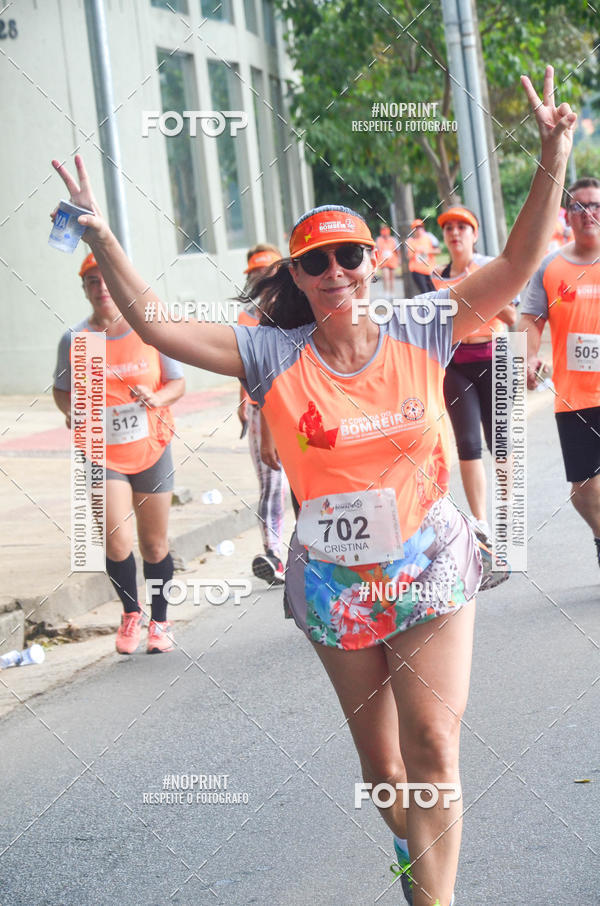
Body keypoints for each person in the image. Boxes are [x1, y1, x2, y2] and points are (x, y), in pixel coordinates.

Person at [51, 67, 574, 906]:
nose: (336, 270)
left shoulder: (427, 322)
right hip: (335, 580)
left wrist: (554, 151)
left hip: (430, 561)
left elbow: (516, 263)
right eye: (316, 261)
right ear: (297, 276)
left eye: (349, 255)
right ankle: (415, 858)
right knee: (384, 771)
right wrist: (103, 236)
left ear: (371, 262)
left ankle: (434, 896)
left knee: (435, 745)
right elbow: (156, 321)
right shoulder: (268, 352)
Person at [52, 253, 185, 654]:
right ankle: (131, 613)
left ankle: (160, 621)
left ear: (118, 283)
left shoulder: (148, 331)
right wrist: (74, 412)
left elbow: (176, 385)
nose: (101, 287)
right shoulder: (76, 340)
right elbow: (62, 392)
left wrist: (155, 397)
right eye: (92, 281)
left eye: (106, 279)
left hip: (151, 445)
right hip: (101, 450)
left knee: (155, 544)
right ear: (86, 290)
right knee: (114, 541)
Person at [519, 176, 600, 569]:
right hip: (575, 395)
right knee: (583, 489)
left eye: (596, 205)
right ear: (567, 215)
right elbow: (529, 321)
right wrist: (529, 358)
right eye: (580, 206)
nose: (589, 213)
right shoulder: (550, 267)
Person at [431, 206, 518, 552]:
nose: (455, 233)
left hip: (493, 358)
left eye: (462, 227)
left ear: (474, 234)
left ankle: (506, 515)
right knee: (467, 443)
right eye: (449, 228)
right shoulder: (436, 276)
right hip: (456, 364)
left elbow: (511, 315)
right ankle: (480, 523)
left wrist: (477, 289)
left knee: (498, 441)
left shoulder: (489, 268)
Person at [236, 244, 288, 585]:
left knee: (300, 484)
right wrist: (242, 399)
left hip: (293, 407)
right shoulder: (246, 316)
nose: (261, 278)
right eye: (255, 274)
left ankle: (312, 551)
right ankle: (273, 555)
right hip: (258, 410)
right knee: (271, 483)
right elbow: (243, 366)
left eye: (266, 271)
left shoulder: (293, 310)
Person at [406, 218, 440, 294]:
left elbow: (438, 251)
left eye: (420, 227)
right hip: (417, 271)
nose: (419, 230)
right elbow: (408, 256)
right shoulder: (410, 241)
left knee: (434, 292)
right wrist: (416, 251)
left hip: (430, 270)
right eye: (416, 228)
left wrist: (428, 251)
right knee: (425, 292)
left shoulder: (429, 237)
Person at [375, 224, 399, 295]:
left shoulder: (393, 239)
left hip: (392, 261)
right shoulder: (379, 239)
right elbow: (376, 250)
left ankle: (392, 291)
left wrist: (399, 259)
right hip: (383, 261)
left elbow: (397, 250)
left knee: (392, 277)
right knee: (385, 276)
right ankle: (386, 291)